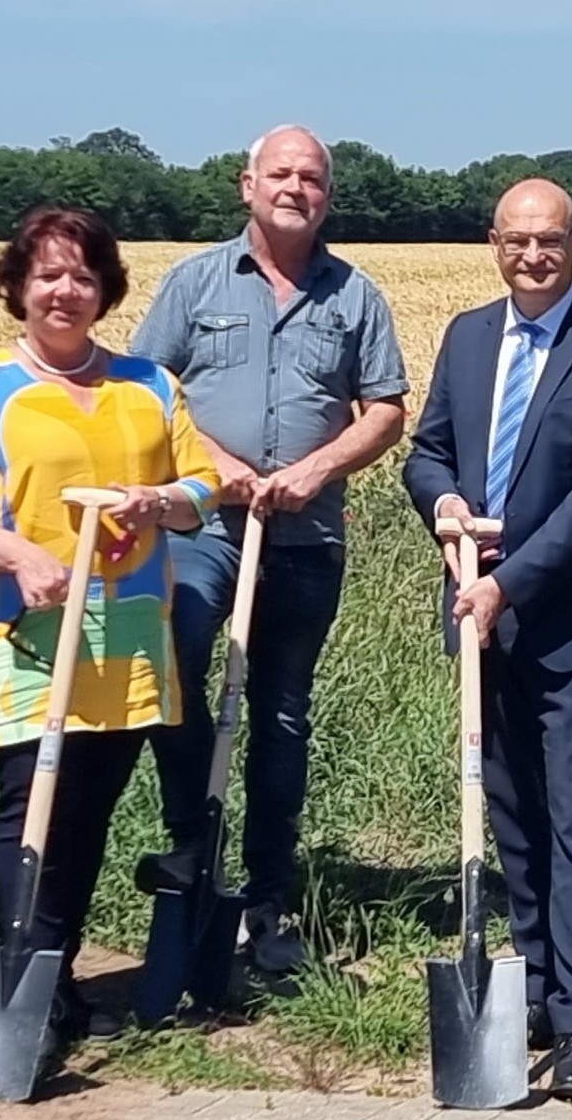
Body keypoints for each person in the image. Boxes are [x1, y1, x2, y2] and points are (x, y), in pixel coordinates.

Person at [0, 205, 218, 1060]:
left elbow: (199, 487)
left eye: (83, 276)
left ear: (105, 290)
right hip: (22, 637)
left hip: (122, 640)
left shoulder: (149, 387)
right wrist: (15, 555)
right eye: (48, 274)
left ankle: (56, 976)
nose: (65, 291)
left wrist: (157, 502)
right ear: (18, 286)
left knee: (84, 813)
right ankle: (29, 990)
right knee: (28, 810)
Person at [404, 178, 572, 1100]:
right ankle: (537, 988)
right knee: (511, 813)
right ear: (493, 244)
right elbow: (429, 446)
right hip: (481, 608)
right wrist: (441, 504)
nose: (532, 256)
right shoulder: (469, 337)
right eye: (516, 241)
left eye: (548, 240)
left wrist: (506, 579)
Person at [130, 125, 409, 975]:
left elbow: (386, 409)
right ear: (246, 185)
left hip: (307, 534)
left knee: (283, 715)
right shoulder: (196, 282)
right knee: (176, 655)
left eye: (312, 178)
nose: (296, 188)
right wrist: (222, 469)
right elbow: (146, 390)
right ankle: (192, 844)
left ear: (328, 196)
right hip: (206, 525)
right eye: (280, 174)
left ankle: (268, 896)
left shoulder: (355, 296)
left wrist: (315, 469)